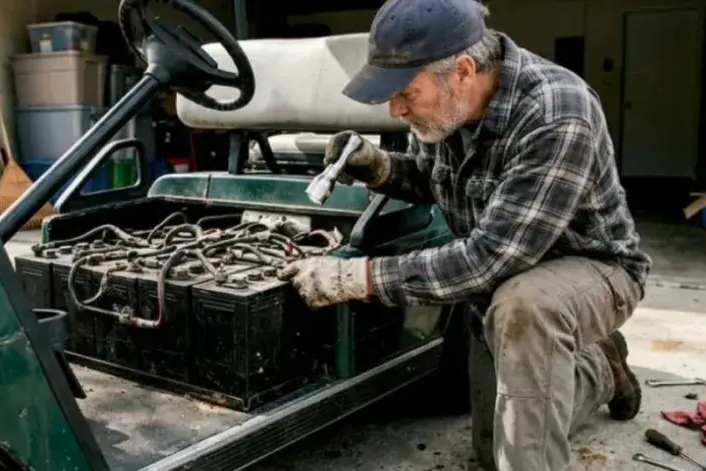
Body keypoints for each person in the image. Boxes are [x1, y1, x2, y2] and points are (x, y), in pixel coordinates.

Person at [275, 0, 653, 470]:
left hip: (594, 269)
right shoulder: (448, 110)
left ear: (464, 71)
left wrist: (358, 278)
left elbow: (490, 259)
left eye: (407, 93)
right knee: (495, 448)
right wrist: (378, 168)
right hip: (501, 281)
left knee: (527, 307)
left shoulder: (557, 112)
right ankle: (600, 370)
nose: (395, 109)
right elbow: (434, 181)